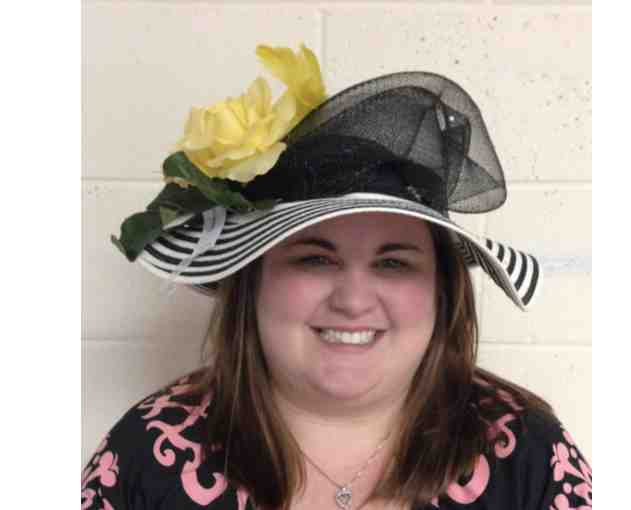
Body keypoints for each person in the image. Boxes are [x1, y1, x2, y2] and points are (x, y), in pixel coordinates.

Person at [82, 43, 591, 510]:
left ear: (442, 290)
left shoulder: (526, 455)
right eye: (315, 259)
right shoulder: (148, 452)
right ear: (254, 282)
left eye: (393, 263)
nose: (353, 300)